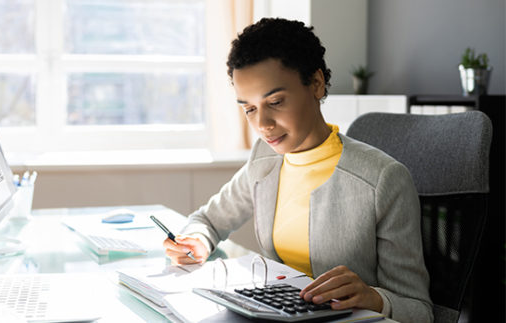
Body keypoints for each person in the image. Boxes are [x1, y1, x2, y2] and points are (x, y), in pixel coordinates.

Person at [163, 17, 433, 323]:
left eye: (275, 101)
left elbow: (420, 311)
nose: (262, 125)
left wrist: (375, 298)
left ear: (316, 84)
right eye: (249, 108)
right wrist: (197, 241)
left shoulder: (383, 180)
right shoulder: (265, 160)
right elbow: (209, 219)